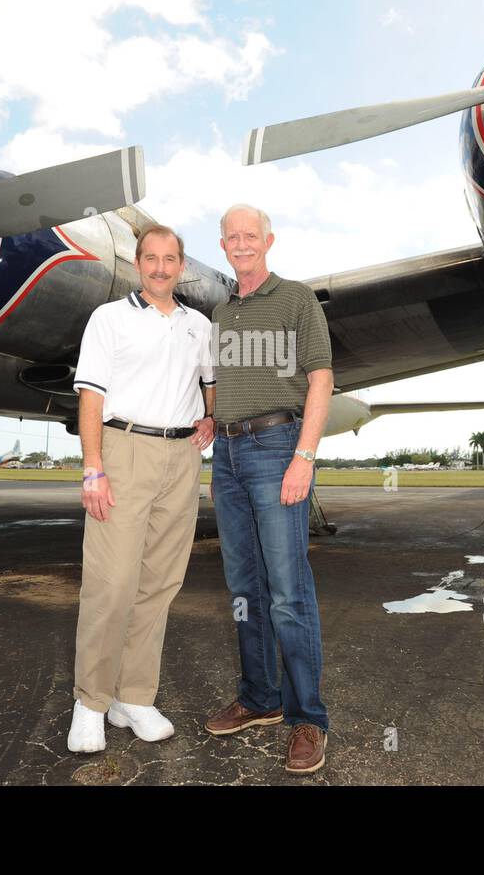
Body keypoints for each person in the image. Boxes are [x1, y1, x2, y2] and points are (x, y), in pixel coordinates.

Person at [67, 224, 216, 754]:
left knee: (160, 584)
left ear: (181, 266)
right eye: (149, 258)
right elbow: (90, 395)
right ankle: (91, 703)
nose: (159, 267)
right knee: (111, 582)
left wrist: (211, 418)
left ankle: (134, 696)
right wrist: (93, 466)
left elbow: (209, 383)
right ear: (137, 264)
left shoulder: (200, 325)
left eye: (169, 259)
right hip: (123, 450)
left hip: (181, 459)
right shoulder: (108, 318)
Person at [205, 203, 335, 774]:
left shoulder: (297, 299)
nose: (241, 243)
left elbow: (321, 379)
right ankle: (260, 699)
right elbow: (219, 378)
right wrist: (211, 420)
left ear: (269, 240)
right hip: (228, 456)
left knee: (288, 590)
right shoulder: (219, 311)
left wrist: (304, 456)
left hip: (277, 448)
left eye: (250, 235)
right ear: (224, 244)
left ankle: (308, 718)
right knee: (242, 586)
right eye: (232, 236)